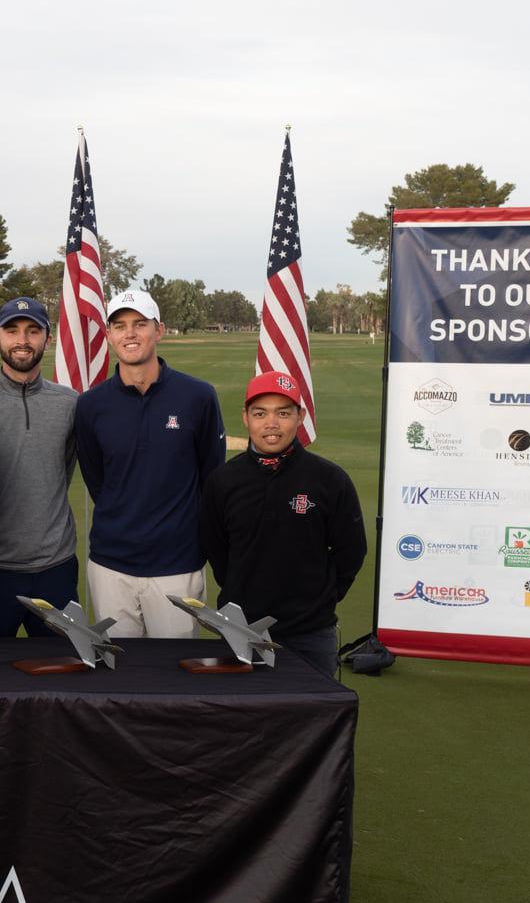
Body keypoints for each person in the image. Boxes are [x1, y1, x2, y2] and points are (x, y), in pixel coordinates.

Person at [75, 289, 225, 638]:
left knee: (174, 675)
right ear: (109, 336)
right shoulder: (90, 405)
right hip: (111, 564)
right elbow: (97, 480)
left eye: (140, 324)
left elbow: (212, 477)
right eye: (120, 326)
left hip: (177, 564)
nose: (130, 333)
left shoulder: (199, 396)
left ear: (158, 331)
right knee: (122, 672)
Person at [199, 371, 367, 676]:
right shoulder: (223, 481)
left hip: (311, 633)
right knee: (241, 718)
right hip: (241, 629)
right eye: (260, 413)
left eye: (284, 413)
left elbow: (351, 551)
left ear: (300, 417)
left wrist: (322, 598)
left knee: (315, 718)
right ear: (246, 417)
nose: (272, 423)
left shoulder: (330, 480)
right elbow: (217, 550)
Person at [0, 297, 78, 637]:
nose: (22, 340)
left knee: (62, 678)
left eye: (32, 331)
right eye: (12, 331)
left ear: (48, 338)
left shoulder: (71, 404)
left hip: (55, 569)